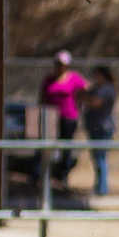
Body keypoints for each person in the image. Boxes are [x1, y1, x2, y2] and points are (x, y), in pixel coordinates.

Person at [40, 52, 90, 190]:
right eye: (58, 64)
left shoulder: (74, 78)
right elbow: (42, 96)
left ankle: (62, 176)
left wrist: (81, 103)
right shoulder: (49, 79)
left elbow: (87, 89)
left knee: (66, 147)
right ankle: (46, 176)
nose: (60, 67)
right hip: (50, 118)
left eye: (62, 65)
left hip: (68, 117)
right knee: (48, 147)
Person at [83, 66, 117, 197]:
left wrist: (87, 99)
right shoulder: (97, 88)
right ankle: (99, 186)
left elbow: (95, 102)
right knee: (96, 157)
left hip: (103, 128)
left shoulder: (107, 88)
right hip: (94, 126)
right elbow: (83, 95)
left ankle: (102, 189)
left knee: (101, 157)